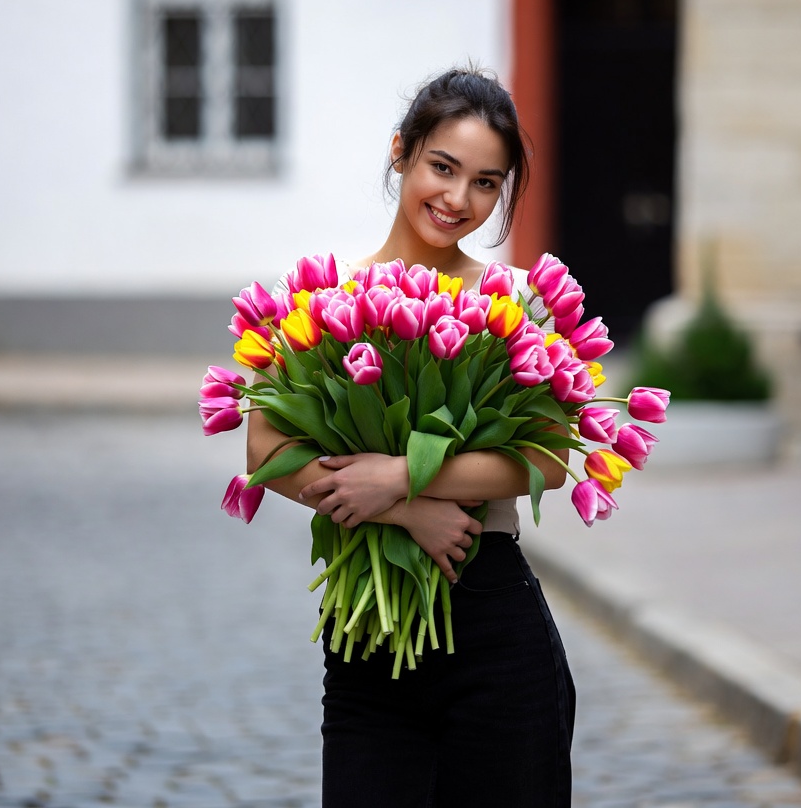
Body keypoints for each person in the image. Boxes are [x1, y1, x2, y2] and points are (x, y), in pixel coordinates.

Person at [246, 67, 576, 807]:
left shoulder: (515, 301)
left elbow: (549, 461)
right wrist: (404, 512)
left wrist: (401, 478)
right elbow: (264, 455)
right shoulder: (319, 298)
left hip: (494, 623)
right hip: (368, 642)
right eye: (443, 167)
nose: (459, 200)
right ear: (401, 152)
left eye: (487, 183)